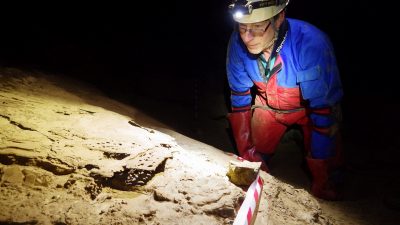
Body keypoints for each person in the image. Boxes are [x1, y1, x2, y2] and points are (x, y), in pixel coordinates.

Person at [226, 0, 344, 200]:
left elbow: (323, 112)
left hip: (309, 109)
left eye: (257, 27)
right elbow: (239, 99)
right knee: (255, 156)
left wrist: (321, 174)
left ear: (279, 18)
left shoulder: (310, 43)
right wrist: (247, 152)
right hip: (269, 106)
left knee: (330, 167)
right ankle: (284, 139)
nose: (247, 37)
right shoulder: (237, 43)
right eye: (243, 27)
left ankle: (331, 172)